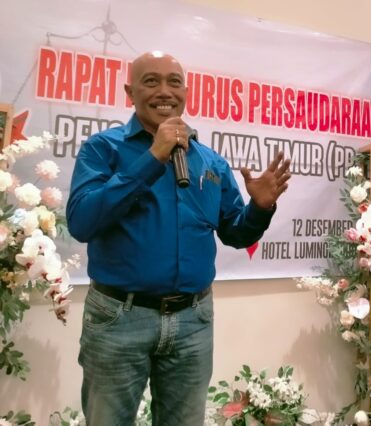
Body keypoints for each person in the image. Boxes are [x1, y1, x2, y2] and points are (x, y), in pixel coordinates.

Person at [66, 51, 291, 425]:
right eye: (150, 81)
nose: (164, 91)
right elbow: (82, 222)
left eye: (174, 82)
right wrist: (152, 158)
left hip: (193, 321)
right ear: (130, 92)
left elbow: (236, 233)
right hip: (119, 318)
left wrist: (259, 207)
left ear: (186, 92)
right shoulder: (103, 149)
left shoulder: (210, 161)